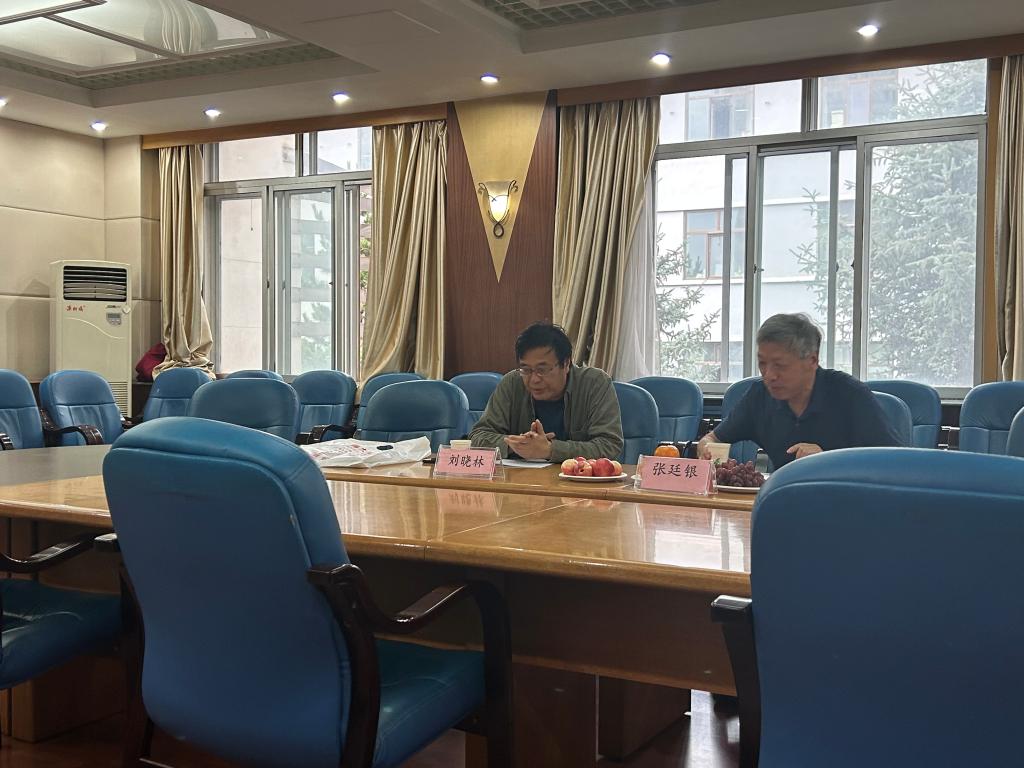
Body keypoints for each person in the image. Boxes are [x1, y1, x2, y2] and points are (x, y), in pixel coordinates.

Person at [698, 313, 903, 469]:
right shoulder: (759, 396)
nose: (769, 375)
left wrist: (828, 459)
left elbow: (897, 463)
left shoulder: (850, 395)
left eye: (780, 365)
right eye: (762, 364)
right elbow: (713, 438)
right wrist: (706, 447)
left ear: (812, 360)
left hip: (847, 502)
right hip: (785, 500)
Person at [470, 322, 624, 461]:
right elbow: (478, 436)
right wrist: (519, 444)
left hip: (577, 480)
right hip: (520, 479)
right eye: (526, 369)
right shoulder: (512, 383)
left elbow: (609, 445)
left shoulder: (594, 383)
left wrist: (550, 449)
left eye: (542, 370)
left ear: (566, 363)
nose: (534, 379)